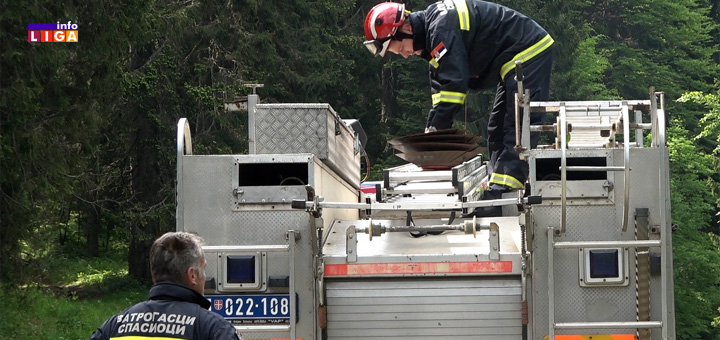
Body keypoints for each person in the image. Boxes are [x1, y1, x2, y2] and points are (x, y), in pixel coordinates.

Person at [363, 0, 554, 217]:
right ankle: (496, 190)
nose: (405, 55)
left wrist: (435, 133)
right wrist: (431, 131)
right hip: (512, 58)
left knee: (517, 128)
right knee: (496, 129)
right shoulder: (432, 38)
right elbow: (441, 93)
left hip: (528, 51)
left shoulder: (441, 27)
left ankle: (503, 193)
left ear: (406, 28)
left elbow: (455, 84)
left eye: (400, 48)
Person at [88, 232, 241, 340]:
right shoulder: (214, 329)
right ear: (192, 275)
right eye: (203, 268)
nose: (205, 276)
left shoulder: (114, 326)